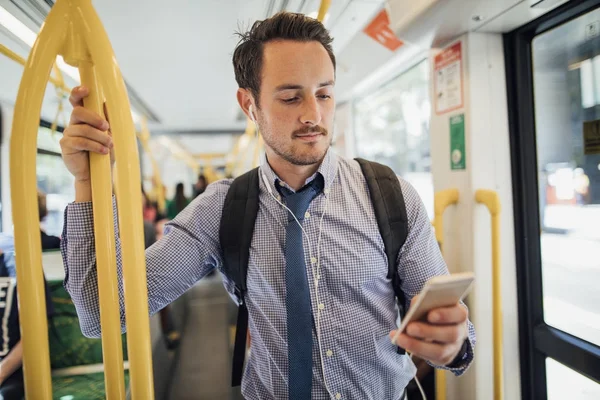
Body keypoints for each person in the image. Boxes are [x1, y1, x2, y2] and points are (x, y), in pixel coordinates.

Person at [59, 12, 475, 399]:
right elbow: (102, 313)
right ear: (249, 105)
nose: (314, 115)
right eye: (291, 98)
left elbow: (455, 328)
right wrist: (87, 182)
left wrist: (454, 344)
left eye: (325, 94)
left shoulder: (390, 195)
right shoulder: (223, 209)